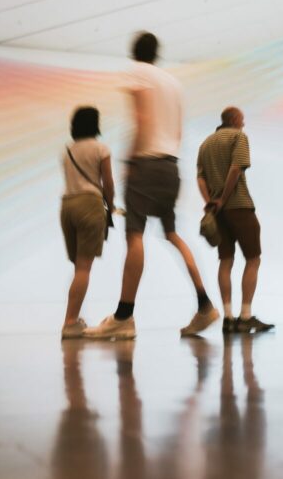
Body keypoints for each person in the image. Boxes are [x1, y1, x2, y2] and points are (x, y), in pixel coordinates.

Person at [86, 32, 219, 340]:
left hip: (145, 164)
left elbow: (142, 118)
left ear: (135, 52)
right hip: (170, 166)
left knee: (135, 236)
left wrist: (130, 162)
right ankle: (204, 305)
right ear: (157, 53)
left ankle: (123, 316)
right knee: (173, 234)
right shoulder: (173, 83)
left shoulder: (137, 73)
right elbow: (178, 129)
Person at [196, 107, 273, 334]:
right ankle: (246, 316)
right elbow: (236, 168)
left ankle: (228, 317)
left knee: (225, 261)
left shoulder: (206, 143)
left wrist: (211, 202)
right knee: (253, 259)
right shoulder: (239, 137)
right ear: (236, 120)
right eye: (243, 119)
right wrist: (223, 198)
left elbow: (200, 177)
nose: (244, 123)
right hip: (239, 205)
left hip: (217, 213)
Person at [60, 106, 115, 339]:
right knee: (84, 268)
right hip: (89, 204)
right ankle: (70, 322)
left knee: (78, 268)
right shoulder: (100, 148)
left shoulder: (68, 151)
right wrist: (110, 207)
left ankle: (73, 318)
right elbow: (108, 183)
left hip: (67, 206)